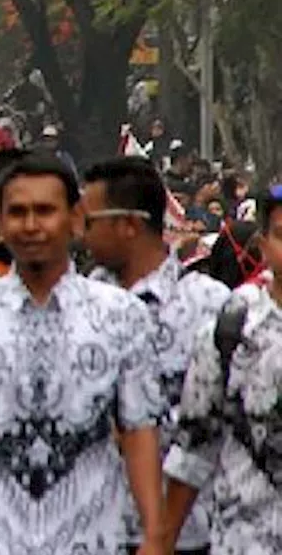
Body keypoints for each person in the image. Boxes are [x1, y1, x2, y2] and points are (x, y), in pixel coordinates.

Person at [0, 153, 168, 555]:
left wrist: (155, 536)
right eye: (17, 212)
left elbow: (139, 430)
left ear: (75, 218)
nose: (31, 225)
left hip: (90, 538)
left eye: (45, 211)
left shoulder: (122, 316)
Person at [80, 157, 231, 555]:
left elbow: (220, 424)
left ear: (128, 224)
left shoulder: (210, 306)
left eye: (89, 221)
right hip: (92, 529)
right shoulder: (78, 303)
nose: (80, 234)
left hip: (186, 532)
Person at [162, 189, 282, 552]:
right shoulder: (231, 329)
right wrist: (161, 541)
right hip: (244, 540)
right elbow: (193, 450)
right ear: (263, 244)